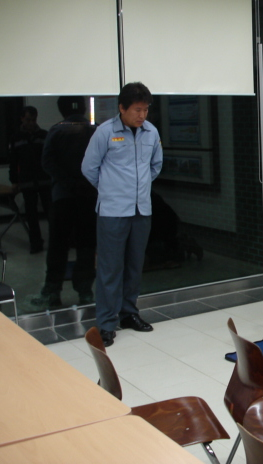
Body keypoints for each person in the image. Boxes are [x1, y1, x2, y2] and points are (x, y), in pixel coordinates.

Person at [82, 82, 163, 347]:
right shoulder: (105, 132)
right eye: (137, 110)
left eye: (145, 110)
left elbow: (156, 166)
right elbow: (89, 168)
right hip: (113, 211)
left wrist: (138, 190)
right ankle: (106, 324)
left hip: (141, 210)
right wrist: (111, 189)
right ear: (122, 108)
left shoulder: (151, 132)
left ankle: (129, 314)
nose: (142, 115)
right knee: (110, 268)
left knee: (134, 266)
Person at [29, 96, 98, 310]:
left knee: (58, 246)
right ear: (85, 108)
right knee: (86, 245)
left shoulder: (56, 130)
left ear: (61, 110)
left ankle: (52, 292)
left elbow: (47, 162)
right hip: (89, 196)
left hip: (63, 197)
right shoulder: (95, 130)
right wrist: (87, 183)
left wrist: (68, 183)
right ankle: (85, 292)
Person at [9, 106, 52, 254]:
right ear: (22, 119)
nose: (31, 123)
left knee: (51, 213)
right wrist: (14, 181)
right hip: (27, 181)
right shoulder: (16, 138)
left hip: (44, 180)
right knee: (31, 215)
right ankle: (36, 243)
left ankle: (56, 242)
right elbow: (13, 162)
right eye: (28, 120)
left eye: (33, 120)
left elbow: (50, 158)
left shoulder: (44, 135)